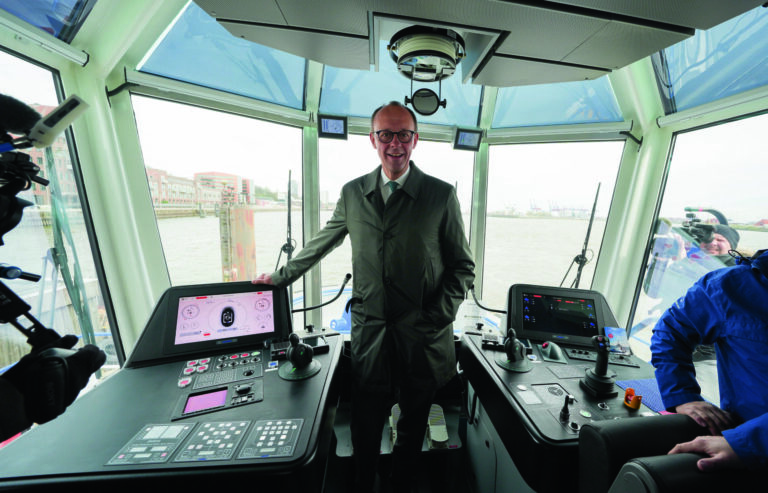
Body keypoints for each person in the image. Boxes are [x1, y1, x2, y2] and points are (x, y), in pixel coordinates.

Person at [253, 101, 475, 491]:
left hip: (422, 338)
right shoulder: (353, 193)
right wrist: (279, 278)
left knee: (412, 426)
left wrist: (435, 318)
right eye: (386, 134)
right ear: (372, 139)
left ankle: (401, 484)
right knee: (365, 426)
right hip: (371, 334)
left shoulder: (440, 196)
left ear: (415, 140)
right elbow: (321, 242)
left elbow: (462, 268)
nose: (395, 143)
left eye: (403, 134)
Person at [650, 249, 768, 472]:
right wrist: (683, 396)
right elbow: (672, 331)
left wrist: (749, 443)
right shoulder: (730, 286)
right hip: (737, 444)